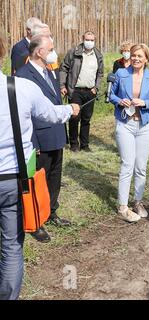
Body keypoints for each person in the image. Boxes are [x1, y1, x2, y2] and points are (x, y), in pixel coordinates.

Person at [0, 36, 80, 300]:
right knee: (11, 246)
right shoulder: (21, 87)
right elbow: (51, 114)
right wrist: (70, 109)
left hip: (12, 178)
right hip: (13, 179)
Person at [15, 35, 71, 243]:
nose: (54, 53)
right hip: (39, 138)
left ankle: (51, 212)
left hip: (56, 132)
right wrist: (33, 143)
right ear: (39, 52)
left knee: (55, 177)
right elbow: (24, 115)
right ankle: (35, 221)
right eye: (51, 49)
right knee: (38, 180)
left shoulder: (51, 71)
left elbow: (55, 102)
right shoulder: (23, 76)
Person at [109, 44, 149, 223]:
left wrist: (144, 103)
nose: (136, 59)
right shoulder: (121, 73)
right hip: (125, 124)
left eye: (139, 56)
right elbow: (111, 96)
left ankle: (137, 201)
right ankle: (123, 207)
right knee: (127, 164)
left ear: (146, 58)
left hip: (145, 126)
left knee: (141, 166)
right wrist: (119, 101)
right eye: (133, 56)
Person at [59, 31, 104, 152]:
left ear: (95, 41)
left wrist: (96, 87)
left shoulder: (98, 55)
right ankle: (74, 144)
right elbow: (64, 68)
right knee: (74, 117)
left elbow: (100, 73)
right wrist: (62, 85)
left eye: (92, 40)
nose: (89, 42)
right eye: (87, 39)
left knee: (86, 119)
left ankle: (85, 144)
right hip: (75, 90)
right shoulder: (74, 52)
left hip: (90, 92)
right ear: (83, 39)